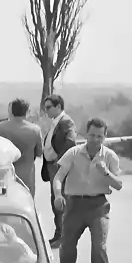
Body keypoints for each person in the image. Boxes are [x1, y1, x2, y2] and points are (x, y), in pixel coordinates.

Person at [53, 118, 123, 263]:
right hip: (74, 204)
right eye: (92, 135)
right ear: (86, 134)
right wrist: (58, 195)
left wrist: (106, 172)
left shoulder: (109, 156)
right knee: (67, 247)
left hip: (98, 206)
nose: (95, 139)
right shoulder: (74, 153)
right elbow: (58, 177)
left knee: (98, 249)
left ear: (105, 136)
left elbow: (119, 185)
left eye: (100, 136)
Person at [41, 94, 77, 247]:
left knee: (59, 200)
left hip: (57, 167)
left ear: (58, 107)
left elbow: (71, 141)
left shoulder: (66, 121)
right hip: (51, 166)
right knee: (55, 200)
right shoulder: (56, 121)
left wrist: (60, 160)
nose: (46, 110)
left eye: (49, 107)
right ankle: (60, 234)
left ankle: (62, 236)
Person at [0, 99, 43, 195]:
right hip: (26, 174)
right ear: (26, 112)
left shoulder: (0, 127)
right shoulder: (35, 130)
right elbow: (39, 152)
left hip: (5, 173)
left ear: (11, 111)